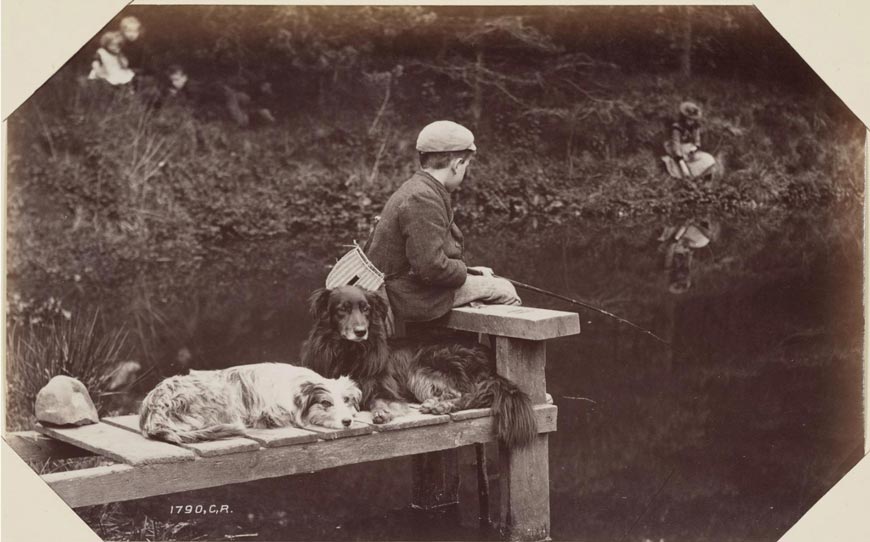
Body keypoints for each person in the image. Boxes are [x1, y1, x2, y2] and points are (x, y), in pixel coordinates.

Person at [366, 120, 521, 327]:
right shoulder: (423, 198)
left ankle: (462, 347)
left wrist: (471, 271)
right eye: (467, 164)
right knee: (505, 290)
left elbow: (427, 259)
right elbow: (431, 269)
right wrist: (464, 272)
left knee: (487, 277)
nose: (465, 170)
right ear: (456, 165)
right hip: (410, 297)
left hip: (409, 287)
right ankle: (493, 358)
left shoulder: (417, 188)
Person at [662, 101, 717, 180]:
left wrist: (695, 147)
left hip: (689, 149)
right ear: (684, 118)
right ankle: (686, 175)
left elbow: (697, 140)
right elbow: (676, 143)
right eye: (689, 119)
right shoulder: (677, 128)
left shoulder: (695, 127)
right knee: (682, 167)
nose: (691, 122)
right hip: (678, 148)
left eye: (693, 120)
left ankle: (700, 178)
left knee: (708, 159)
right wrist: (680, 159)